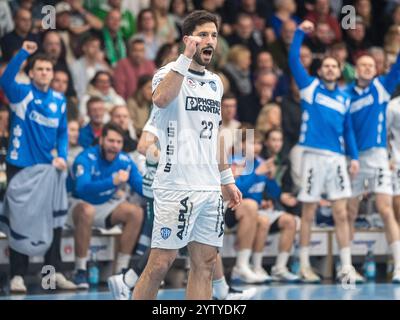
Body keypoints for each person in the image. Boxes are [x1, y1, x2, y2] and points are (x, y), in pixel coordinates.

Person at [132, 10, 242, 300]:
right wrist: (183, 58)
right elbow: (160, 99)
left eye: (214, 35)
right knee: (159, 264)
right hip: (175, 187)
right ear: (188, 40)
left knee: (205, 265)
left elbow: (215, 135)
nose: (210, 41)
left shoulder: (216, 83)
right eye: (203, 34)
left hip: (208, 188)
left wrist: (227, 180)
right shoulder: (166, 74)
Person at [289, 21, 361, 283]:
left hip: (336, 160)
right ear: (320, 71)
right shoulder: (309, 88)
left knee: (341, 213)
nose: (330, 69)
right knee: (307, 213)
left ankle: (346, 266)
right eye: (326, 66)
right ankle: (305, 265)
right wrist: (299, 33)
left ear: (339, 71)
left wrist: (353, 157)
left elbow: (349, 130)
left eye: (334, 66)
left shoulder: (345, 97)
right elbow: (293, 60)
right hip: (312, 158)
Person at [0, 41, 75, 292]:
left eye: (48, 69)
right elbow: (5, 80)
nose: (44, 73)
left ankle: (51, 274)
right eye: (39, 69)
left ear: (53, 73)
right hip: (20, 167)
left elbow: (63, 132)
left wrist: (62, 155)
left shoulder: (59, 100)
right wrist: (23, 53)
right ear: (31, 73)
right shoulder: (21, 94)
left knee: (52, 221)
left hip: (49, 169)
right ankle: (17, 276)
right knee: (21, 221)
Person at [68, 122, 144, 288]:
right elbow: (82, 189)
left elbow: (140, 185)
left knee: (135, 213)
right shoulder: (85, 158)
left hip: (105, 205)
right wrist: (112, 181)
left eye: (119, 142)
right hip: (78, 204)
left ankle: (121, 271)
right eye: (111, 141)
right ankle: (80, 270)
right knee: (86, 211)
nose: (115, 146)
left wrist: (164, 194)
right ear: (101, 140)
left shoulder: (125, 160)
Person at [346, 51, 400, 283]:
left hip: (378, 157)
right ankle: (347, 266)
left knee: (385, 209)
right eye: (363, 65)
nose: (367, 68)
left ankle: (398, 266)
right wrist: (352, 156)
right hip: (354, 158)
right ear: (356, 69)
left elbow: (398, 66)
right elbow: (345, 128)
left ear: (376, 70)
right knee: (349, 211)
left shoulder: (382, 87)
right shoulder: (345, 94)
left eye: (371, 65)